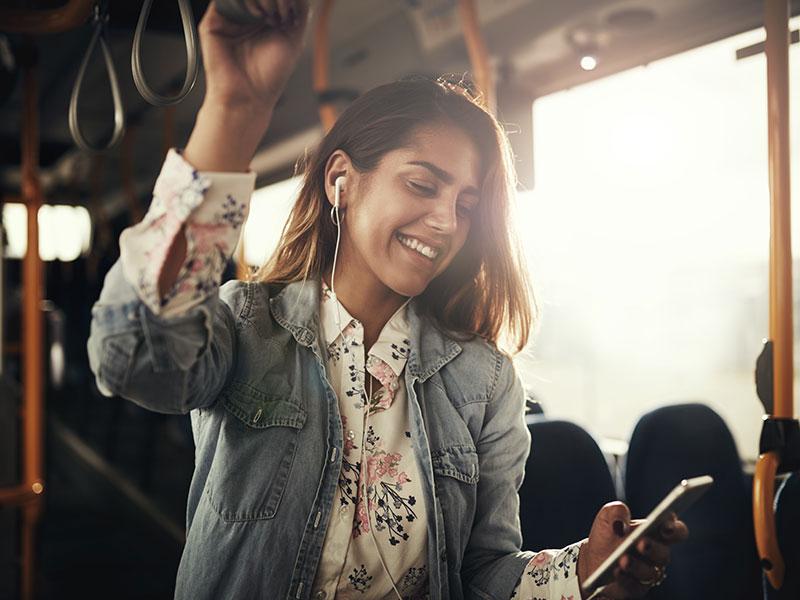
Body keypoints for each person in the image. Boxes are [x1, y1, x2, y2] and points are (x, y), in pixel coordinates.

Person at [87, 1, 688, 599]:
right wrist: (234, 112)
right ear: (341, 181)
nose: (447, 221)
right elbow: (130, 357)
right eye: (423, 184)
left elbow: (482, 577)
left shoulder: (484, 380)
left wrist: (582, 574)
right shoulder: (249, 324)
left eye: (466, 205)